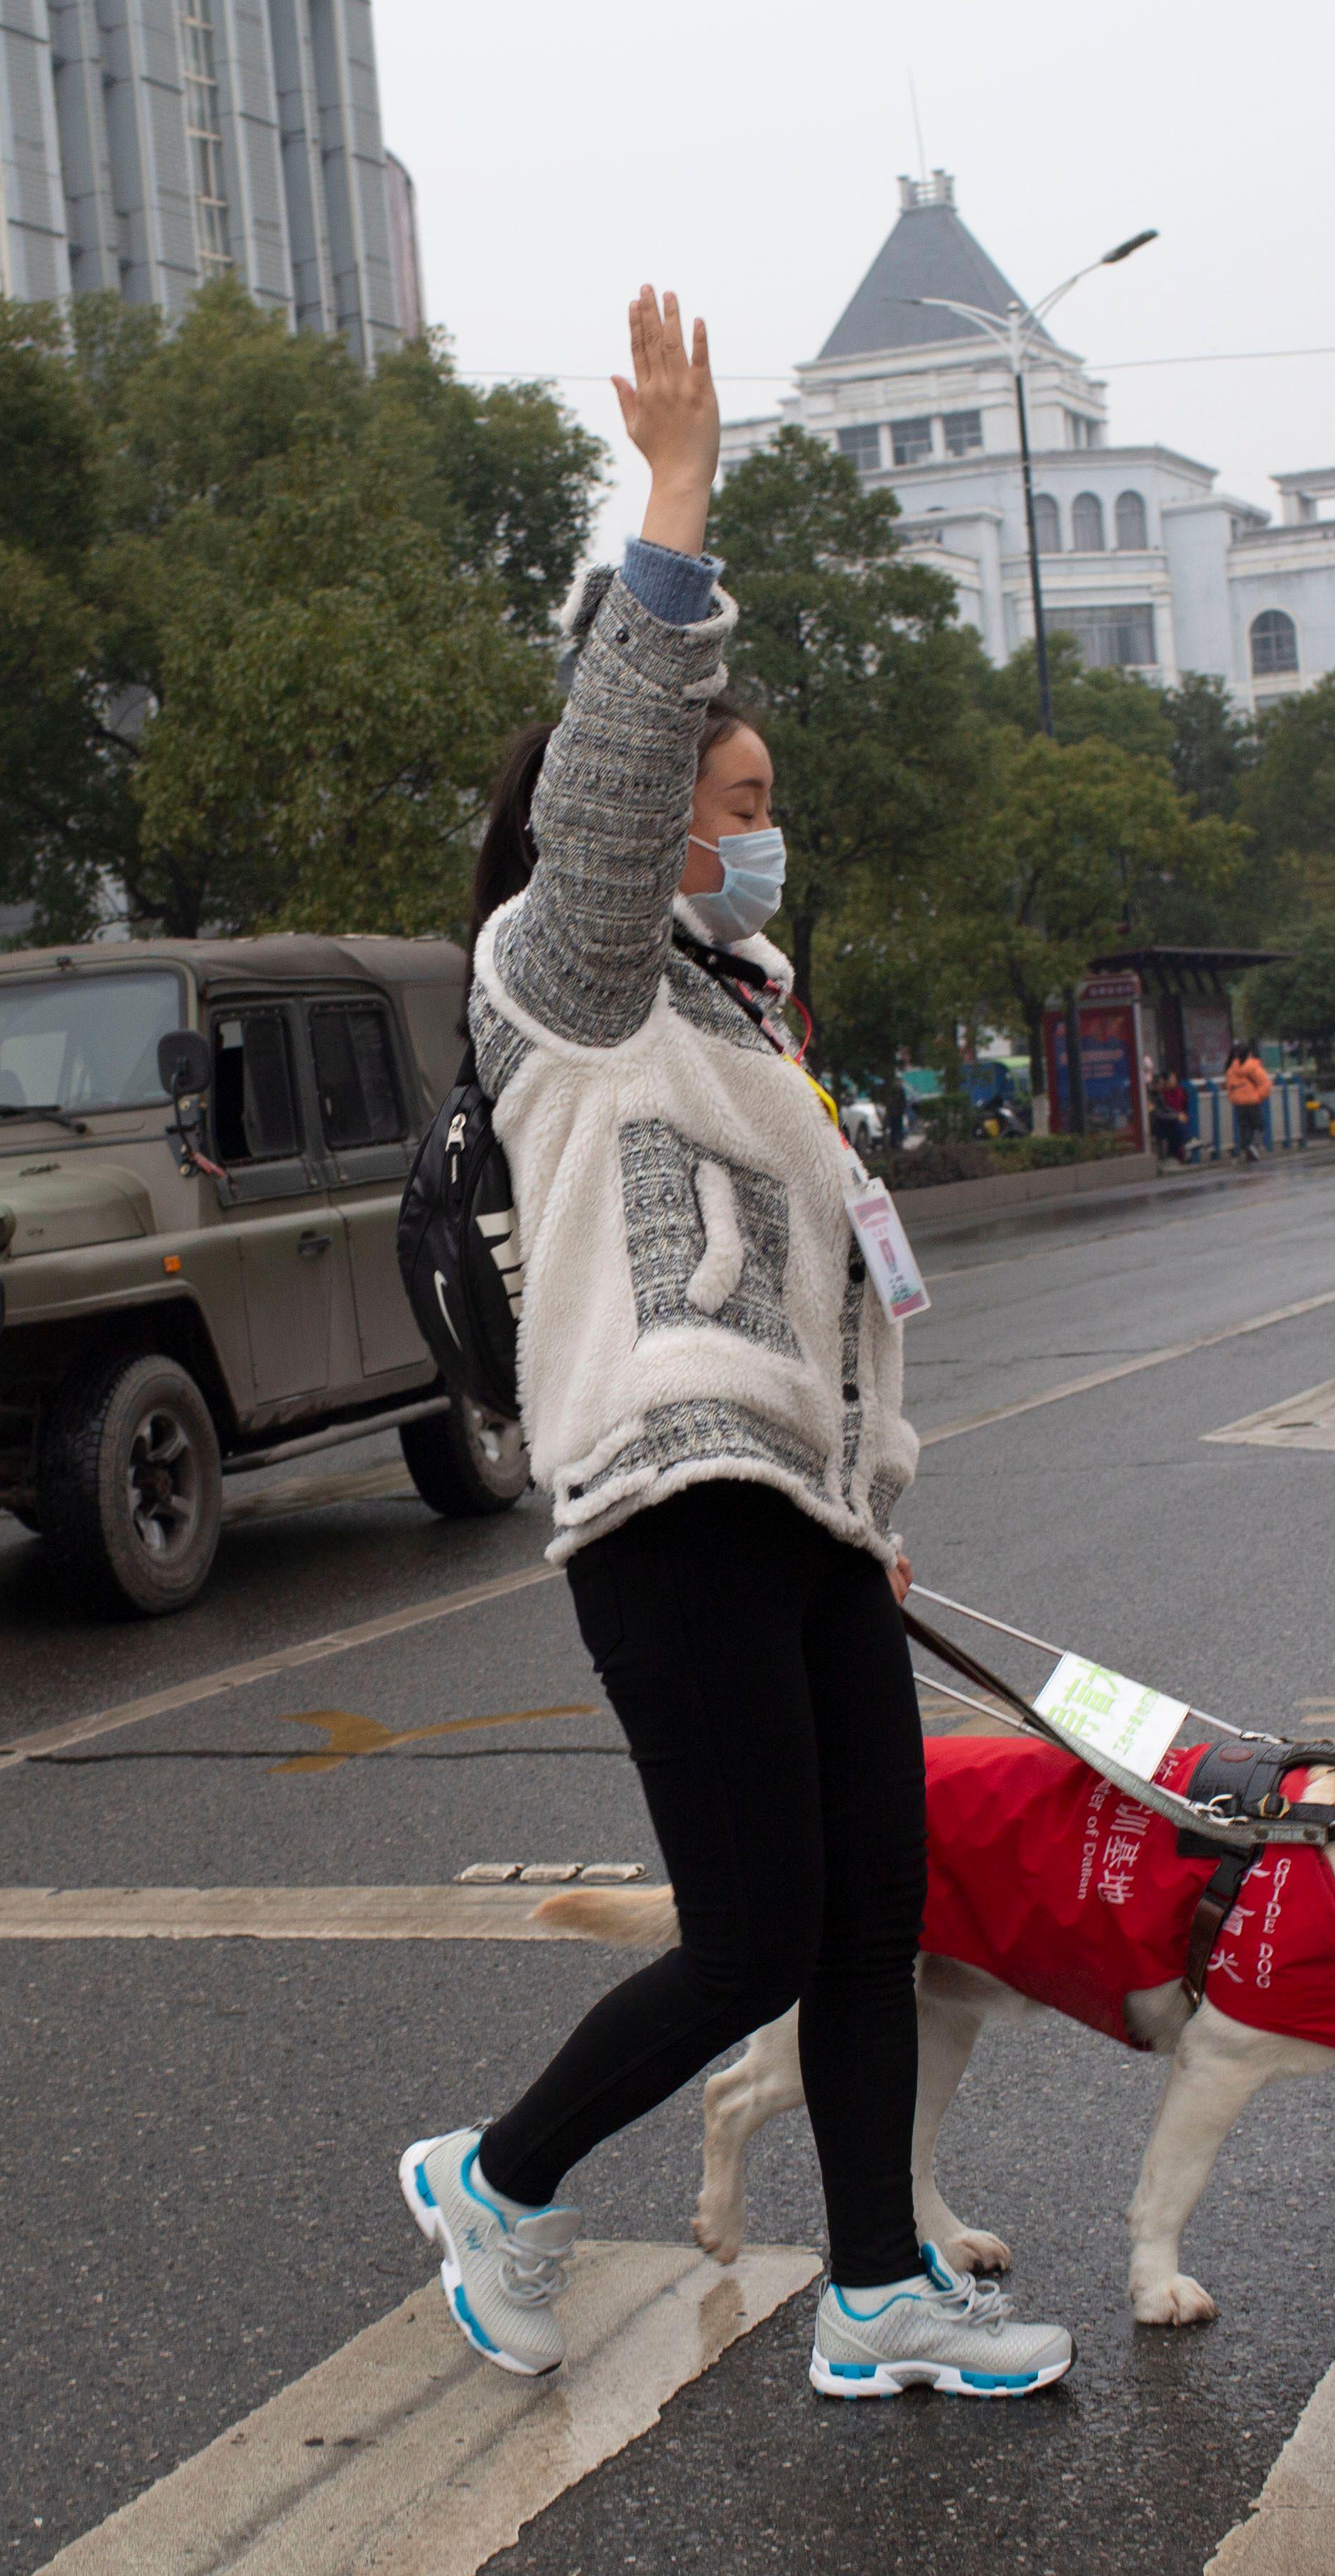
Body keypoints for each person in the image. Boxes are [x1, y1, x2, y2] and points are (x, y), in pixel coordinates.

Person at [396, 288, 1069, 2402]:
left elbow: (837, 1294)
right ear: (643, 811)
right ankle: (498, 2177)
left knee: (872, 1915)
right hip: (664, 1499)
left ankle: (875, 2283)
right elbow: (606, 800)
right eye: (734, 787)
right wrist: (677, 505)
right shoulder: (563, 972)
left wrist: (872, 1512)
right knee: (755, 1930)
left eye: (765, 791)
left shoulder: (751, 1008)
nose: (760, 820)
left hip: (800, 1516)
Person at [1221, 1038, 1275, 1162]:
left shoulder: (1231, 1070)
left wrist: (1233, 1098)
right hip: (1253, 1101)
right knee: (1258, 1125)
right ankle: (1254, 1146)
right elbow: (1265, 1084)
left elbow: (1229, 1087)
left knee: (1244, 1127)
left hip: (1239, 1103)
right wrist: (1259, 1096)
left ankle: (1248, 1148)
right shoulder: (1254, 1067)